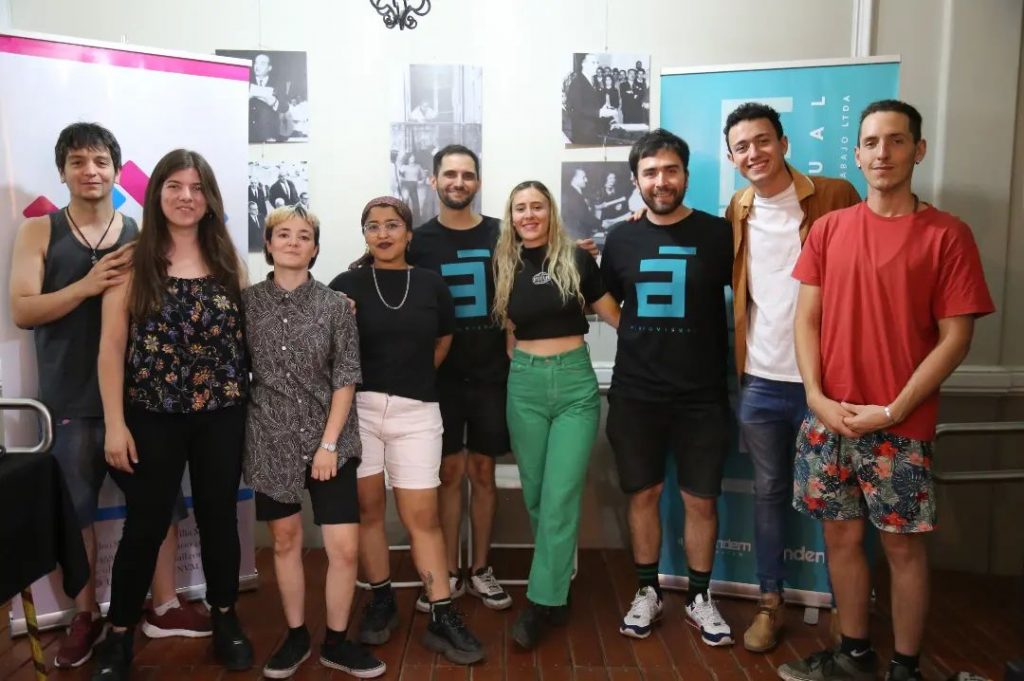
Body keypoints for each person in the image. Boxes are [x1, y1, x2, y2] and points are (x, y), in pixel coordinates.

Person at [778, 100, 994, 681]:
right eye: (871, 142)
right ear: (857, 154)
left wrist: (894, 409)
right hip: (829, 419)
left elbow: (956, 337)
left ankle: (904, 667)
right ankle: (852, 654)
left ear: (918, 150)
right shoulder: (829, 230)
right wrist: (816, 397)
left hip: (901, 424)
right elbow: (806, 320)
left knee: (902, 549)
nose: (883, 153)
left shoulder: (947, 235)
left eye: (896, 141)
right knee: (841, 540)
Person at [7, 123, 209, 670]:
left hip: (141, 400)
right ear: (63, 171)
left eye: (100, 161)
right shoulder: (40, 231)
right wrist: (88, 285)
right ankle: (84, 616)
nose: (90, 171)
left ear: (117, 171)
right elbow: (23, 310)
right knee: (75, 515)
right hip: (68, 400)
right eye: (78, 162)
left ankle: (164, 605)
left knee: (160, 505)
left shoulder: (140, 232)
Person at [93, 149, 253, 680]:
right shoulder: (131, 262)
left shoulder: (228, 262)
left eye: (197, 188)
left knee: (218, 518)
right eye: (175, 186)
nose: (187, 197)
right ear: (157, 193)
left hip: (221, 413)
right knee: (145, 524)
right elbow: (111, 349)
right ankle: (119, 635)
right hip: (151, 415)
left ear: (210, 199)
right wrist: (115, 424)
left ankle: (225, 616)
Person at [722, 102, 860, 653]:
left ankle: (845, 608)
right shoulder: (737, 209)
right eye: (741, 146)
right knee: (769, 493)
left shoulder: (835, 196)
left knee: (839, 499)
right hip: (759, 379)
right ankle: (770, 602)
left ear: (783, 143)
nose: (753, 153)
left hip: (824, 384)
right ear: (732, 158)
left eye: (763, 141)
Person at [329, 197, 485, 666]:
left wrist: (416, 374)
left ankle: (441, 612)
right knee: (369, 511)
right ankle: (381, 599)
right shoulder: (345, 285)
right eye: (373, 226)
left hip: (418, 412)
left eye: (392, 225)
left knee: (423, 517)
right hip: (359, 410)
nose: (383, 234)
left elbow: (444, 338)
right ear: (364, 234)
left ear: (408, 233)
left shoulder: (432, 283)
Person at [602, 129, 734, 646]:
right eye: (650, 172)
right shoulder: (621, 237)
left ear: (686, 175)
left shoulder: (720, 233)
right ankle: (647, 591)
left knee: (701, 500)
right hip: (636, 393)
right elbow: (602, 294)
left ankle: (700, 598)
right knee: (644, 494)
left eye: (670, 170)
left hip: (703, 394)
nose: (661, 181)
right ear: (636, 180)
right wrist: (630, 330)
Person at [244, 205, 385, 679]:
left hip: (331, 441)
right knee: (285, 541)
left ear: (315, 248)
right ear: (268, 245)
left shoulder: (335, 305)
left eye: (303, 236)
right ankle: (296, 635)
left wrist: (328, 445)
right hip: (270, 440)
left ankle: (338, 642)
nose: (293, 242)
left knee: (343, 548)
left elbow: (346, 377)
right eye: (283, 234)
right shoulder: (246, 304)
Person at [493, 180, 620, 649]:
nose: (529, 215)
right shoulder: (502, 263)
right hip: (525, 384)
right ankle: (558, 584)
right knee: (537, 495)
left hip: (574, 386)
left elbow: (616, 316)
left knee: (561, 494)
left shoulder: (577, 259)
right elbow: (509, 327)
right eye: (520, 208)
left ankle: (540, 601)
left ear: (551, 212)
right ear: (511, 216)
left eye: (537, 206)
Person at [407, 145, 514, 613]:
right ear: (434, 181)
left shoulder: (502, 232)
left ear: (478, 182)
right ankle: (448, 570)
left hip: (492, 373)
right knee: (448, 472)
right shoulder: (417, 241)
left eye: (467, 175)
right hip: (440, 378)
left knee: (484, 471)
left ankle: (481, 568)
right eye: (449, 174)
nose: (458, 182)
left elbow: (545, 256)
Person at [564, 53, 616, 145]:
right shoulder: (577, 82)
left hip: (593, 130)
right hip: (583, 132)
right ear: (584, 64)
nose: (596, 65)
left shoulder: (592, 81)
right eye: (593, 63)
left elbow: (590, 103)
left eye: (597, 63)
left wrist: (603, 108)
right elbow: (577, 108)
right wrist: (600, 112)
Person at [249, 53, 290, 143]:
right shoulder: (246, 81)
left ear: (269, 68)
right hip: (248, 135)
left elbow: (285, 107)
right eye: (256, 63)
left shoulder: (278, 83)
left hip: (269, 136)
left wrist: (274, 102)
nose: (257, 66)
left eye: (262, 63)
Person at [561, 168, 601, 241]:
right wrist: (601, 223)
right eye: (583, 177)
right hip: (577, 237)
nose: (586, 180)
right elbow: (583, 217)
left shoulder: (575, 193)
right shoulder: (572, 195)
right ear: (574, 178)